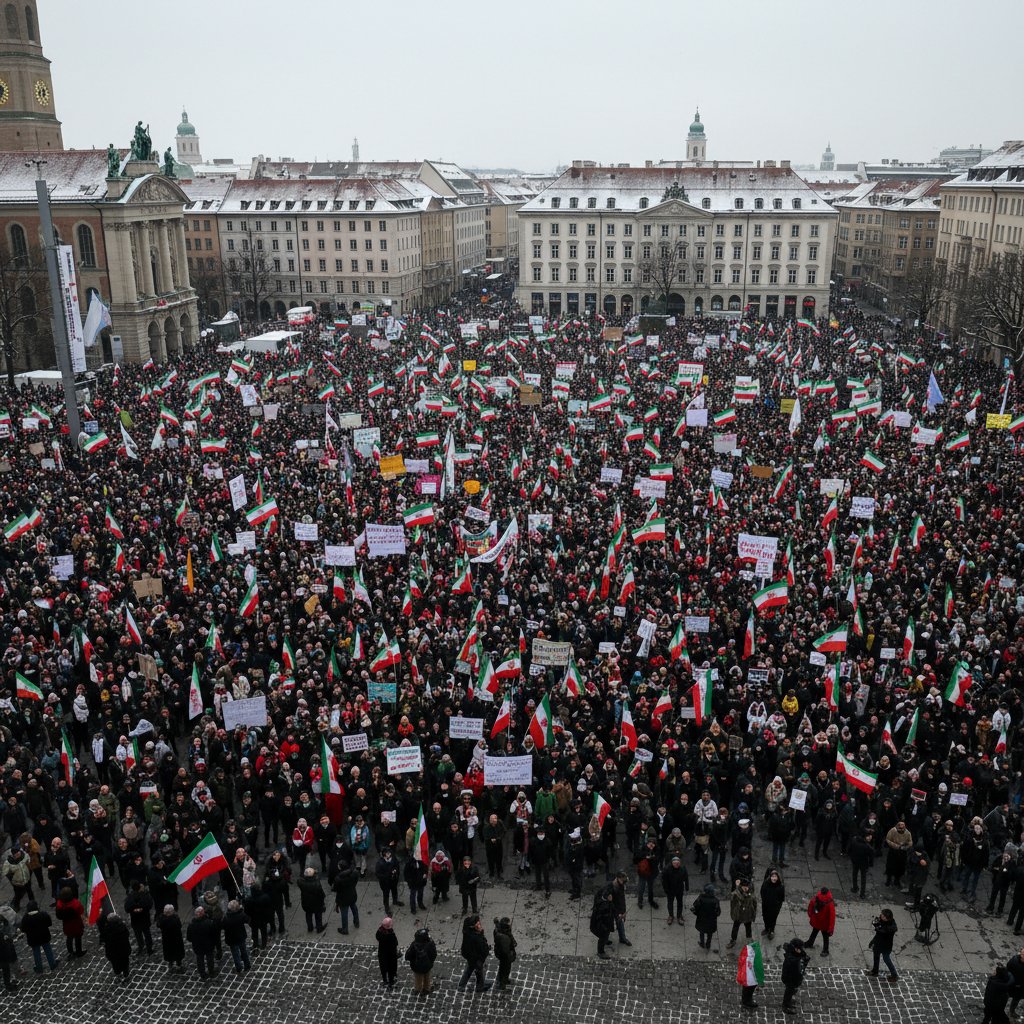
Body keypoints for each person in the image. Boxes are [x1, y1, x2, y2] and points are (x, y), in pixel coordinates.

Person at [18, 901, 58, 973]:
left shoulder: (25, 918)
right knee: (48, 950)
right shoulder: (43, 915)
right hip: (44, 937)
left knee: (36, 953)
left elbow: (23, 929)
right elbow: (49, 923)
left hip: (33, 939)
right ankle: (52, 964)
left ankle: (39, 968)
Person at [457, 914, 491, 993]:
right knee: (479, 971)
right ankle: (480, 987)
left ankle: (461, 985)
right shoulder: (476, 937)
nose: (480, 925)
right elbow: (483, 949)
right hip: (476, 958)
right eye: (478, 924)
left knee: (469, 968)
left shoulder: (468, 932)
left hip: (471, 957)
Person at [864, 907, 898, 982]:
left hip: (886, 946)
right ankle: (875, 971)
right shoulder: (882, 921)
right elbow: (878, 933)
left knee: (886, 959)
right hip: (878, 943)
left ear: (887, 918)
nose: (880, 916)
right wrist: (873, 941)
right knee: (876, 956)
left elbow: (882, 931)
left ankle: (894, 975)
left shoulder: (891, 927)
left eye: (882, 916)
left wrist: (877, 926)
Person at [124, 879, 155, 955]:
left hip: (135, 920)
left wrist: (134, 910)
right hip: (145, 918)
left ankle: (141, 947)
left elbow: (127, 909)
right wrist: (142, 908)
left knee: (138, 935)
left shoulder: (129, 897)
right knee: (147, 934)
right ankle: (149, 949)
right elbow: (150, 905)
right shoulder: (145, 895)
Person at [405, 926, 437, 996]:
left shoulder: (414, 945)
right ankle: (426, 989)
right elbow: (434, 954)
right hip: (427, 966)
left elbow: (408, 956)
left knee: (418, 979)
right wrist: (430, 961)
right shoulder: (430, 944)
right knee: (427, 977)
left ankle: (417, 990)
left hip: (417, 967)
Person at [99, 911, 132, 980]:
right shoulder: (122, 926)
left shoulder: (106, 929)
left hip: (112, 952)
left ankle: (118, 974)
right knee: (125, 962)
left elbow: (104, 939)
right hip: (123, 949)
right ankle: (126, 974)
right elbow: (127, 934)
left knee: (115, 964)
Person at [54, 887, 86, 958]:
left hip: (66, 924)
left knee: (69, 938)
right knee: (78, 938)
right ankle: (79, 952)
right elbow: (81, 912)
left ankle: (70, 952)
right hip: (76, 923)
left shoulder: (59, 903)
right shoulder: (76, 903)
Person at [332, 857, 361, 934]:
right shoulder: (354, 873)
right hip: (352, 895)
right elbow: (355, 881)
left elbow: (335, 889)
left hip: (343, 898)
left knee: (344, 914)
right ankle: (356, 922)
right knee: (354, 908)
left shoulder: (338, 878)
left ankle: (345, 929)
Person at [727, 877, 758, 948]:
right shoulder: (736, 894)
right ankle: (733, 940)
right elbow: (732, 903)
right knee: (735, 927)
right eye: (744, 887)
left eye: (747, 887)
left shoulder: (751, 894)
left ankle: (749, 939)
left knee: (748, 928)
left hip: (748, 914)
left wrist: (753, 914)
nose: (746, 888)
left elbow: (754, 904)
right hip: (739, 914)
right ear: (741, 886)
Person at [222, 899, 251, 974]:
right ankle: (247, 965)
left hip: (232, 939)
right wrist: (241, 911)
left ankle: (239, 967)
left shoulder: (226, 918)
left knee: (235, 954)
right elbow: (248, 920)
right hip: (241, 937)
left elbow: (222, 926)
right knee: (243, 951)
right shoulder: (241, 915)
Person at [805, 886, 836, 957]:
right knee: (825, 937)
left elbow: (811, 904)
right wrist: (831, 928)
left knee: (814, 932)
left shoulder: (817, 897)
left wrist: (810, 915)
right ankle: (825, 950)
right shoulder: (830, 902)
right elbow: (832, 916)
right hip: (825, 924)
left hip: (817, 920)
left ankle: (810, 943)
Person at [781, 937, 809, 1013]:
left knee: (790, 991)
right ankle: (786, 1006)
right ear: (796, 949)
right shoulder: (793, 960)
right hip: (790, 979)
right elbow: (799, 969)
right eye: (800, 948)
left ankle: (788, 1001)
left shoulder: (794, 952)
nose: (802, 950)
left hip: (792, 978)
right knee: (789, 991)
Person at [661, 853, 689, 924]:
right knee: (670, 903)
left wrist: (687, 886)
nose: (676, 865)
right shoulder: (667, 869)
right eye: (675, 863)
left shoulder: (683, 868)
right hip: (670, 890)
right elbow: (664, 881)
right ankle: (671, 916)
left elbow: (686, 878)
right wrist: (666, 890)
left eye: (678, 863)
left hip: (679, 889)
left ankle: (679, 916)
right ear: (672, 863)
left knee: (680, 903)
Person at [692, 883, 721, 950]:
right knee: (710, 934)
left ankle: (702, 943)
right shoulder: (715, 900)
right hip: (711, 921)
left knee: (701, 932)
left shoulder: (701, 898)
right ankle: (708, 945)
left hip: (702, 919)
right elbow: (718, 912)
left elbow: (695, 906)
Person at [298, 866, 327, 933]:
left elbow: (300, 879)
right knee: (318, 916)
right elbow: (321, 894)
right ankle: (319, 928)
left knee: (308, 915)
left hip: (306, 903)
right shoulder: (316, 884)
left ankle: (310, 928)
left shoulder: (301, 883)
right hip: (316, 903)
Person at [157, 905, 185, 972]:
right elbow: (179, 925)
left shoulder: (162, 918)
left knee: (169, 952)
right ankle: (178, 964)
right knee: (177, 952)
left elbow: (158, 925)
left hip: (167, 939)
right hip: (176, 939)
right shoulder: (175, 918)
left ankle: (171, 964)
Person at [760, 868, 785, 940]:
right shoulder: (765, 884)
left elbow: (781, 898)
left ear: (778, 877)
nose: (774, 878)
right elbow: (762, 892)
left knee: (773, 920)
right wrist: (764, 901)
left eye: (775, 877)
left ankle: (771, 931)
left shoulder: (780, 887)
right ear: (770, 877)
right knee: (765, 918)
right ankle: (767, 928)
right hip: (766, 906)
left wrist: (778, 906)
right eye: (772, 876)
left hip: (775, 908)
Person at [590, 887, 615, 958]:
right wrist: (604, 928)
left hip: (606, 924)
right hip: (601, 926)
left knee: (606, 935)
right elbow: (599, 919)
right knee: (602, 937)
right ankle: (600, 952)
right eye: (610, 896)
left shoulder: (606, 902)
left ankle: (605, 940)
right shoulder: (603, 906)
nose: (611, 896)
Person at [493, 916, 517, 989]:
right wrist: (510, 954)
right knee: (505, 968)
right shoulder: (504, 936)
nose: (510, 925)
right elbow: (505, 949)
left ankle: (504, 980)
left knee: (503, 967)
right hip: (504, 955)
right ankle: (502, 983)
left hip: (500, 952)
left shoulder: (499, 930)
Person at [375, 916, 399, 989]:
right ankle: (391, 981)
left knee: (383, 967)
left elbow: (377, 937)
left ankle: (385, 980)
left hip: (382, 953)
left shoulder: (379, 931)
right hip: (391, 954)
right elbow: (396, 943)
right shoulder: (391, 935)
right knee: (391, 968)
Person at [375, 848, 401, 914]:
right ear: (384, 854)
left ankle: (395, 901)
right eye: (388, 853)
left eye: (389, 853)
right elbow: (378, 874)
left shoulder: (393, 859)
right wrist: (387, 875)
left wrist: (395, 871)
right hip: (385, 883)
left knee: (394, 891)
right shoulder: (380, 863)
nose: (389, 854)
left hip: (393, 880)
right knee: (386, 895)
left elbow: (397, 866)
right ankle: (386, 907)